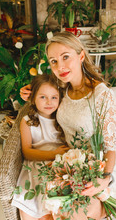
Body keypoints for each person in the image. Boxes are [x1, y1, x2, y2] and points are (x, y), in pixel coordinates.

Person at [20, 31, 116, 220]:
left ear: (81, 55)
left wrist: (104, 178)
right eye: (53, 61)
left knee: (74, 214)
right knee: (42, 210)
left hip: (104, 165)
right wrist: (30, 92)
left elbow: (110, 148)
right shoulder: (62, 88)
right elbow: (45, 94)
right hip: (74, 166)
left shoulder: (101, 95)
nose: (60, 66)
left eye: (66, 57)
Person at [12, 73, 69, 220]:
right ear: (33, 99)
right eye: (42, 97)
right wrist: (54, 154)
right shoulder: (28, 121)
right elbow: (27, 152)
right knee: (34, 198)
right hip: (36, 162)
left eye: (54, 97)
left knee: (57, 202)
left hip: (58, 164)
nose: (48, 102)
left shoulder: (63, 117)